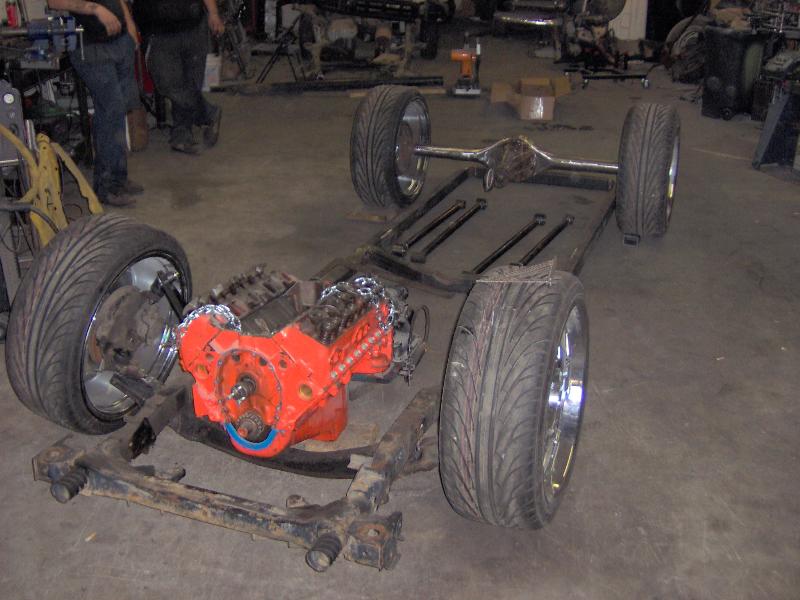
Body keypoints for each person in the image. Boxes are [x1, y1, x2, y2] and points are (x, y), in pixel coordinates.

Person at [48, 0, 144, 207]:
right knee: (111, 111)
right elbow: (54, 1)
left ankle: (118, 178)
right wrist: (96, 9)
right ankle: (106, 187)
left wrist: (129, 25)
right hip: (90, 46)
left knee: (117, 112)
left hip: (119, 41)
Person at [137, 0, 224, 154]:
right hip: (156, 30)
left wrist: (213, 13)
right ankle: (208, 112)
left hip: (193, 24)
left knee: (190, 80)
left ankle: (181, 135)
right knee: (167, 83)